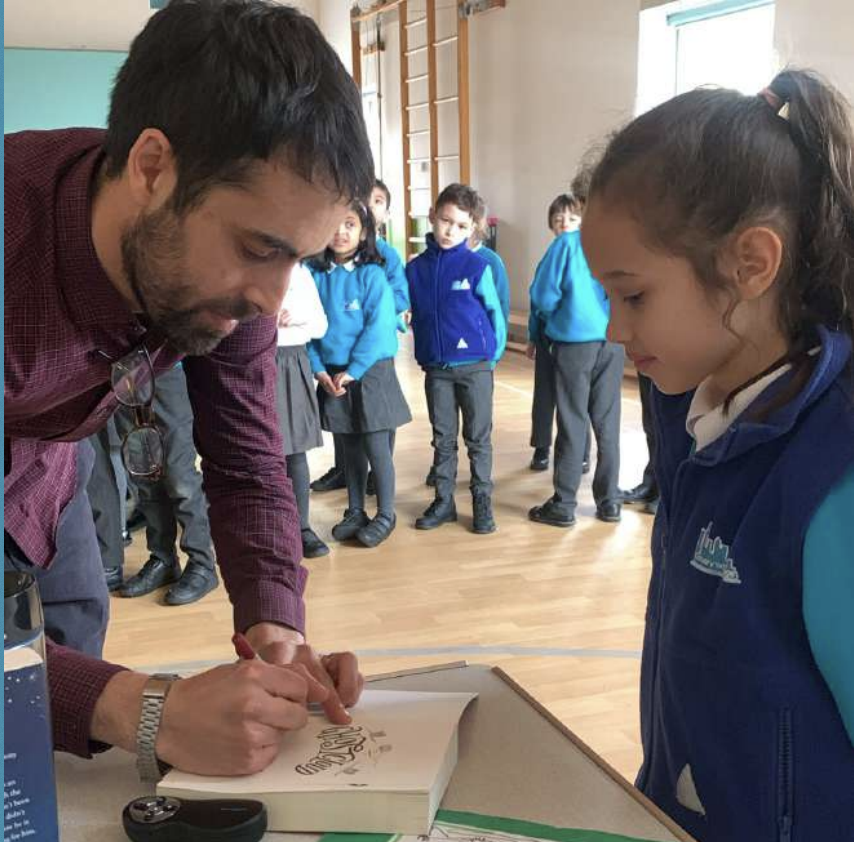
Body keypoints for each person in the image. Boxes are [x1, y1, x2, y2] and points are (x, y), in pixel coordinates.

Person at [4, 0, 372, 779]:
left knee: (50, 733)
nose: (275, 301)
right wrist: (145, 709)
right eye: (258, 247)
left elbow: (246, 464)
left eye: (298, 259)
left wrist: (276, 624)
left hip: (50, 483)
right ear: (150, 167)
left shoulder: (232, 286)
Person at [581, 69, 854, 841]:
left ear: (752, 263)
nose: (613, 330)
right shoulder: (686, 410)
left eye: (633, 296)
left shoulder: (834, 472)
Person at [307, 201, 411, 548]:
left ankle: (385, 514)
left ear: (365, 232)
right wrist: (319, 368)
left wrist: (353, 370)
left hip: (370, 372)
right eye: (334, 224)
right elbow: (309, 329)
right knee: (348, 446)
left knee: (376, 446)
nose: (341, 232)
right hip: (333, 375)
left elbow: (379, 330)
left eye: (350, 224)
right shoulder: (314, 274)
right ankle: (354, 511)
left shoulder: (372, 275)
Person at [407, 183, 506, 534]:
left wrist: (490, 358)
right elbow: (404, 308)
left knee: (478, 439)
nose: (450, 231)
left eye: (461, 226)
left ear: (473, 228)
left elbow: (495, 313)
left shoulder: (479, 266)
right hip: (437, 369)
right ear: (433, 217)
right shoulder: (415, 269)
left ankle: (482, 502)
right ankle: (444, 501)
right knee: (443, 438)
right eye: (445, 221)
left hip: (476, 367)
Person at [528, 174, 624, 528]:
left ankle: (564, 503)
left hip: (573, 344)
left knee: (571, 421)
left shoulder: (566, 245)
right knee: (607, 422)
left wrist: (553, 321)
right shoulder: (614, 241)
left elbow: (543, 296)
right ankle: (609, 502)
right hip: (612, 342)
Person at [114, 363, 219, 605]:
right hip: (122, 373)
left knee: (179, 476)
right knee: (143, 474)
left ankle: (202, 564)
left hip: (166, 368)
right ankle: (163, 559)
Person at [526, 193, 590, 474]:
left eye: (572, 218)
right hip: (547, 338)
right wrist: (533, 336)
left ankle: (582, 452)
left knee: (577, 401)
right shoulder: (550, 255)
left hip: (573, 340)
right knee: (544, 396)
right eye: (558, 219)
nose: (565, 223)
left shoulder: (589, 256)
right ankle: (542, 448)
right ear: (551, 224)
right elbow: (536, 302)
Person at [275, 263, 330, 559]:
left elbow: (320, 325)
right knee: (257, 452)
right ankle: (269, 526)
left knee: (294, 449)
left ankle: (301, 527)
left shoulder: (300, 272)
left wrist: (297, 317)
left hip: (290, 359)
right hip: (248, 360)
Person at [618, 372, 659, 515]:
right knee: (651, 426)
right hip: (651, 359)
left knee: (668, 428)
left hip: (675, 361)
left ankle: (665, 492)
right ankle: (651, 484)